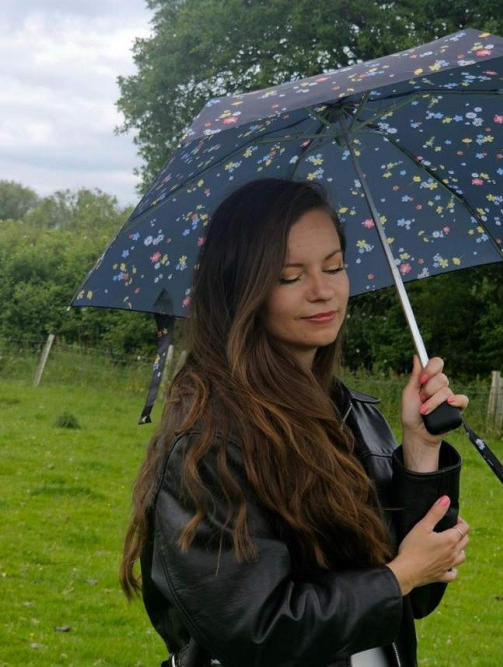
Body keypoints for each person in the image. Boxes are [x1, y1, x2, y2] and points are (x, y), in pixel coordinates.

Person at [120, 178, 470, 667]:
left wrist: (420, 448)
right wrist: (400, 576)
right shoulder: (210, 439)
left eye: (335, 267)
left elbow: (417, 597)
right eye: (290, 276)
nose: (323, 291)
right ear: (242, 290)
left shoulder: (352, 414)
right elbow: (256, 630)